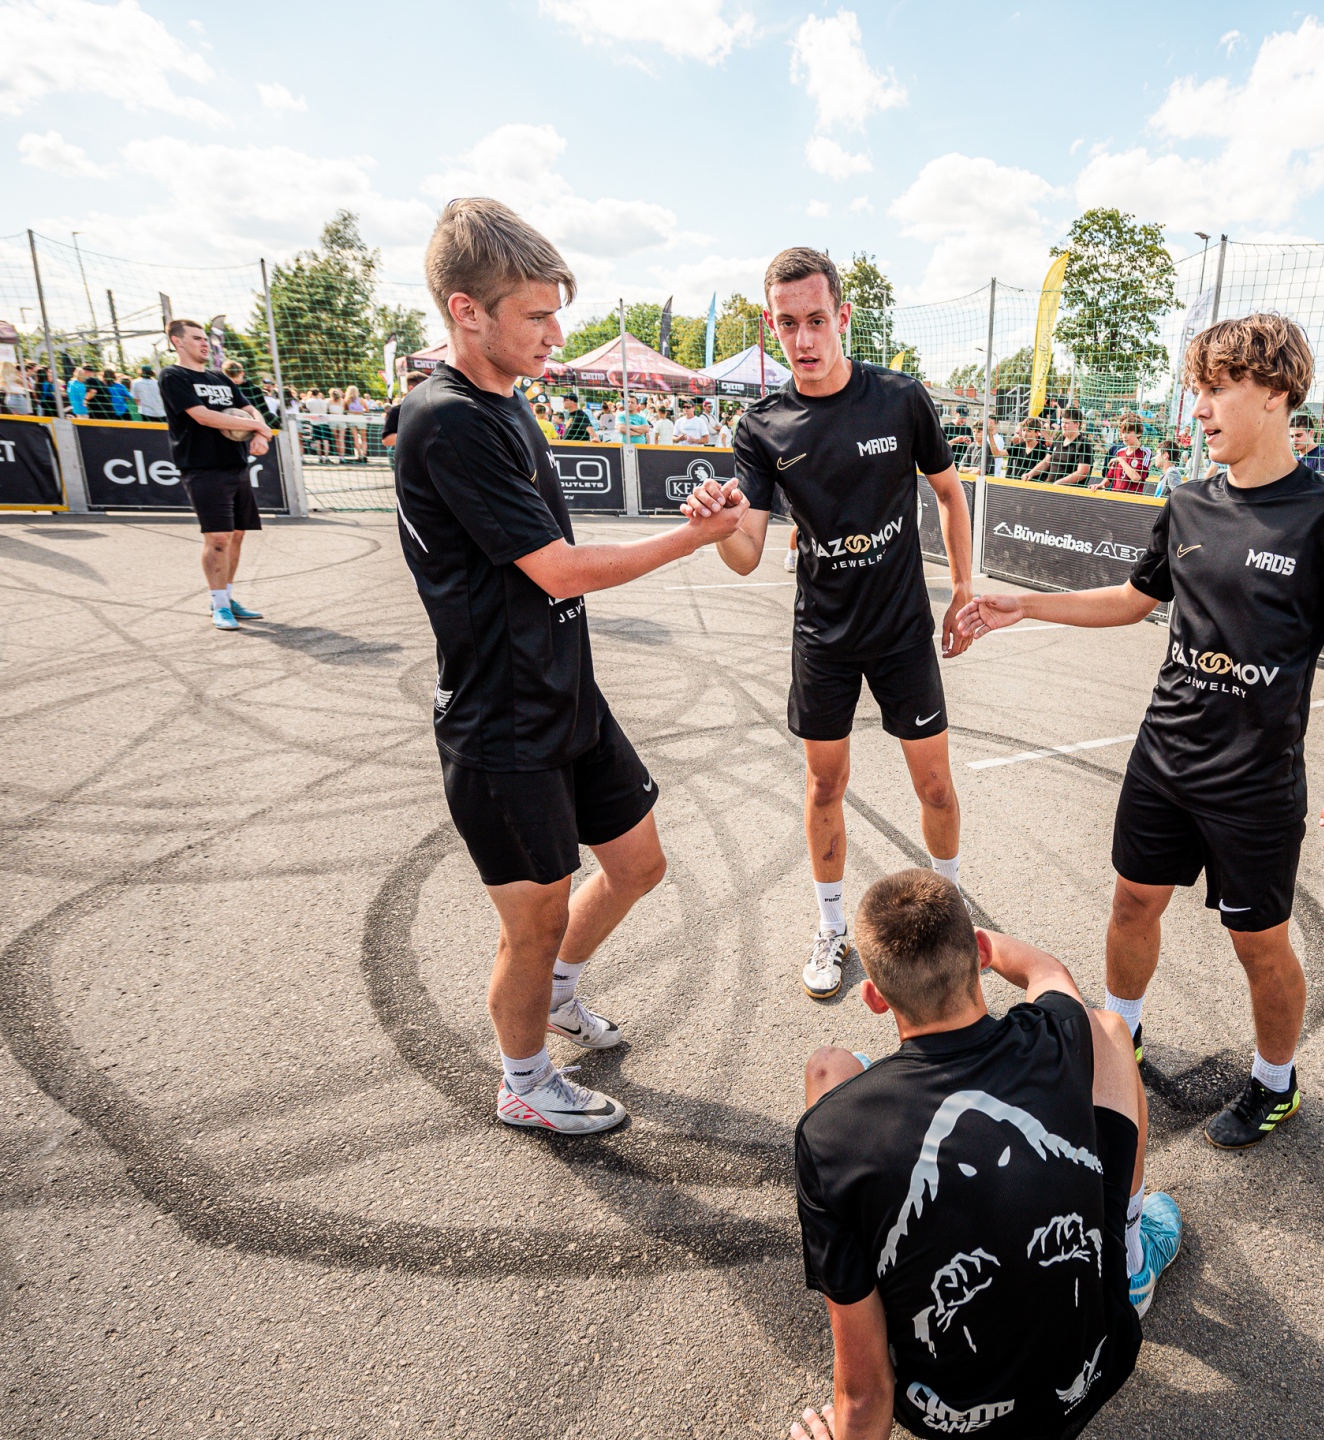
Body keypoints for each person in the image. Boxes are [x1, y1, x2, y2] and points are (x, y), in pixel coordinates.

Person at [957, 313, 1324, 1150]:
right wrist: (1027, 604)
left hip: (1255, 782)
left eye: (1216, 390)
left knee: (1257, 945)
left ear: (1274, 394)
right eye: (1196, 390)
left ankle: (1275, 1082)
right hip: (1163, 757)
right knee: (1132, 902)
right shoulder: (1189, 501)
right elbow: (1136, 600)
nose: (1197, 409)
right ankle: (1118, 1036)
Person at [394, 198, 749, 1136]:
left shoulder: (508, 403)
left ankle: (556, 995)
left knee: (638, 863)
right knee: (533, 923)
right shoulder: (447, 420)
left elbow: (551, 556)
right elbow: (557, 569)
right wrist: (693, 539)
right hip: (501, 722)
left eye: (557, 313)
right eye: (537, 316)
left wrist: (688, 517)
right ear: (467, 311)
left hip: (566, 694)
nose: (556, 335)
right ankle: (522, 1081)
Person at [681, 247, 977, 1002]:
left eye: (816, 320)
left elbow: (949, 494)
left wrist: (962, 589)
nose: (804, 339)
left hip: (902, 629)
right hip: (824, 636)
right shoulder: (762, 426)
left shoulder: (901, 399)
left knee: (935, 786)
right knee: (824, 785)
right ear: (771, 326)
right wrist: (717, 528)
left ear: (842, 316)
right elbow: (747, 554)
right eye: (788, 325)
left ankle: (950, 911)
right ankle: (832, 926)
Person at [790, 871, 1179, 1440]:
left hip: (944, 1416)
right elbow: (1048, 972)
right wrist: (979, 942)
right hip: (1099, 1365)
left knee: (828, 1069)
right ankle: (1132, 1257)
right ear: (978, 956)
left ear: (874, 998)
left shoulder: (826, 1136)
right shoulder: (1053, 1035)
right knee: (1111, 1030)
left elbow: (865, 1393)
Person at [161, 319, 274, 632]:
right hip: (202, 467)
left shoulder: (220, 377)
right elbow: (203, 416)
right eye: (197, 338)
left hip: (235, 465)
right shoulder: (173, 376)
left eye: (205, 338)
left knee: (237, 534)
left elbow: (249, 409)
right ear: (177, 341)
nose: (204, 343)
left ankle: (227, 596)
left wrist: (260, 431)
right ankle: (219, 605)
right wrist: (257, 427)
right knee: (218, 537)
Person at [1024, 407, 1097, 486]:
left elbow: (1082, 473)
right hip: (1050, 487)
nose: (1063, 426)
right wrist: (1030, 473)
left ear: (1076, 424)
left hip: (1068, 491)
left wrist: (1059, 483)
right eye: (1062, 422)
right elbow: (1046, 462)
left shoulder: (1084, 444)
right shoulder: (1059, 439)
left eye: (1066, 423)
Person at [382, 370, 427, 462]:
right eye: (425, 387)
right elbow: (387, 440)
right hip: (405, 461)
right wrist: (418, 435)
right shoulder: (396, 411)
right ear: (411, 388)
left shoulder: (430, 409)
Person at [1103, 415, 1152, 492]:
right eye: (1123, 433)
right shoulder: (1120, 452)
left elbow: (1136, 478)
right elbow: (1109, 478)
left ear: (1138, 433)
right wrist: (1100, 485)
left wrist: (1121, 460)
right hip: (1114, 496)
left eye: (1128, 432)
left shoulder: (1145, 452)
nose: (1124, 436)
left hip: (1131, 498)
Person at [1289, 413, 1324, 482]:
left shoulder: (1323, 454)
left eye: (1298, 435)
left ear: (1311, 433)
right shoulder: (1294, 459)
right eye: (1291, 436)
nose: (1294, 440)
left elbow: (1322, 482)